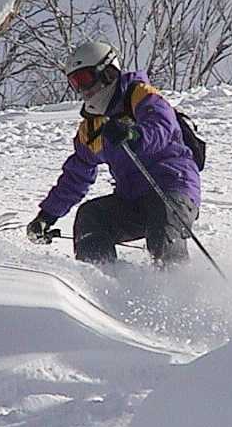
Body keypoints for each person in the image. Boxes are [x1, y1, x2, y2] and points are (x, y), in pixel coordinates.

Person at [27, 41, 201, 266]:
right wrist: (47, 216)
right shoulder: (91, 127)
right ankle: (104, 282)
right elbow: (76, 176)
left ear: (108, 73)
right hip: (133, 200)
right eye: (75, 83)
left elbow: (162, 126)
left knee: (163, 224)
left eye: (85, 79)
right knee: (92, 216)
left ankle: (176, 286)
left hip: (172, 189)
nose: (83, 89)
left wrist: (134, 135)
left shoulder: (139, 95)